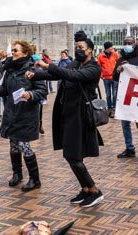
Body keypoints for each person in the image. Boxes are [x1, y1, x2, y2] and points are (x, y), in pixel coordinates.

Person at [26, 30, 105, 208]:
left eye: (81, 47)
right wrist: (36, 74)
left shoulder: (93, 67)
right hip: (69, 114)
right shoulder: (76, 63)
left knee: (73, 155)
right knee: (70, 154)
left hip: (81, 117)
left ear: (90, 50)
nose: (78, 50)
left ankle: (94, 190)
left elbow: (72, 76)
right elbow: (58, 74)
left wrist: (48, 66)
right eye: (76, 47)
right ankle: (85, 189)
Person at [0, 40, 47, 192]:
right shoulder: (10, 70)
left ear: (25, 53)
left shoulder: (32, 70)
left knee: (24, 146)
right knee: (13, 146)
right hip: (12, 113)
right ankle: (17, 174)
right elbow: (4, 89)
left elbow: (42, 91)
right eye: (12, 50)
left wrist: (30, 94)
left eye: (16, 50)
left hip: (26, 115)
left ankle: (35, 179)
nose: (13, 53)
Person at [113, 36, 138, 162]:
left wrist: (130, 67)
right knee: (125, 125)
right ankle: (129, 148)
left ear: (134, 45)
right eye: (125, 43)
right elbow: (114, 77)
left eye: (130, 43)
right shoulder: (120, 59)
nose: (127, 45)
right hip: (124, 97)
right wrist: (118, 71)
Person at [97, 41, 120, 118]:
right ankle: (109, 108)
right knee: (108, 94)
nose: (112, 49)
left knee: (115, 94)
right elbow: (98, 67)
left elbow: (119, 64)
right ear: (107, 48)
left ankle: (114, 109)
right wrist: (102, 76)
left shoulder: (115, 55)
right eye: (111, 48)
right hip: (106, 78)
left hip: (115, 78)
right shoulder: (100, 56)